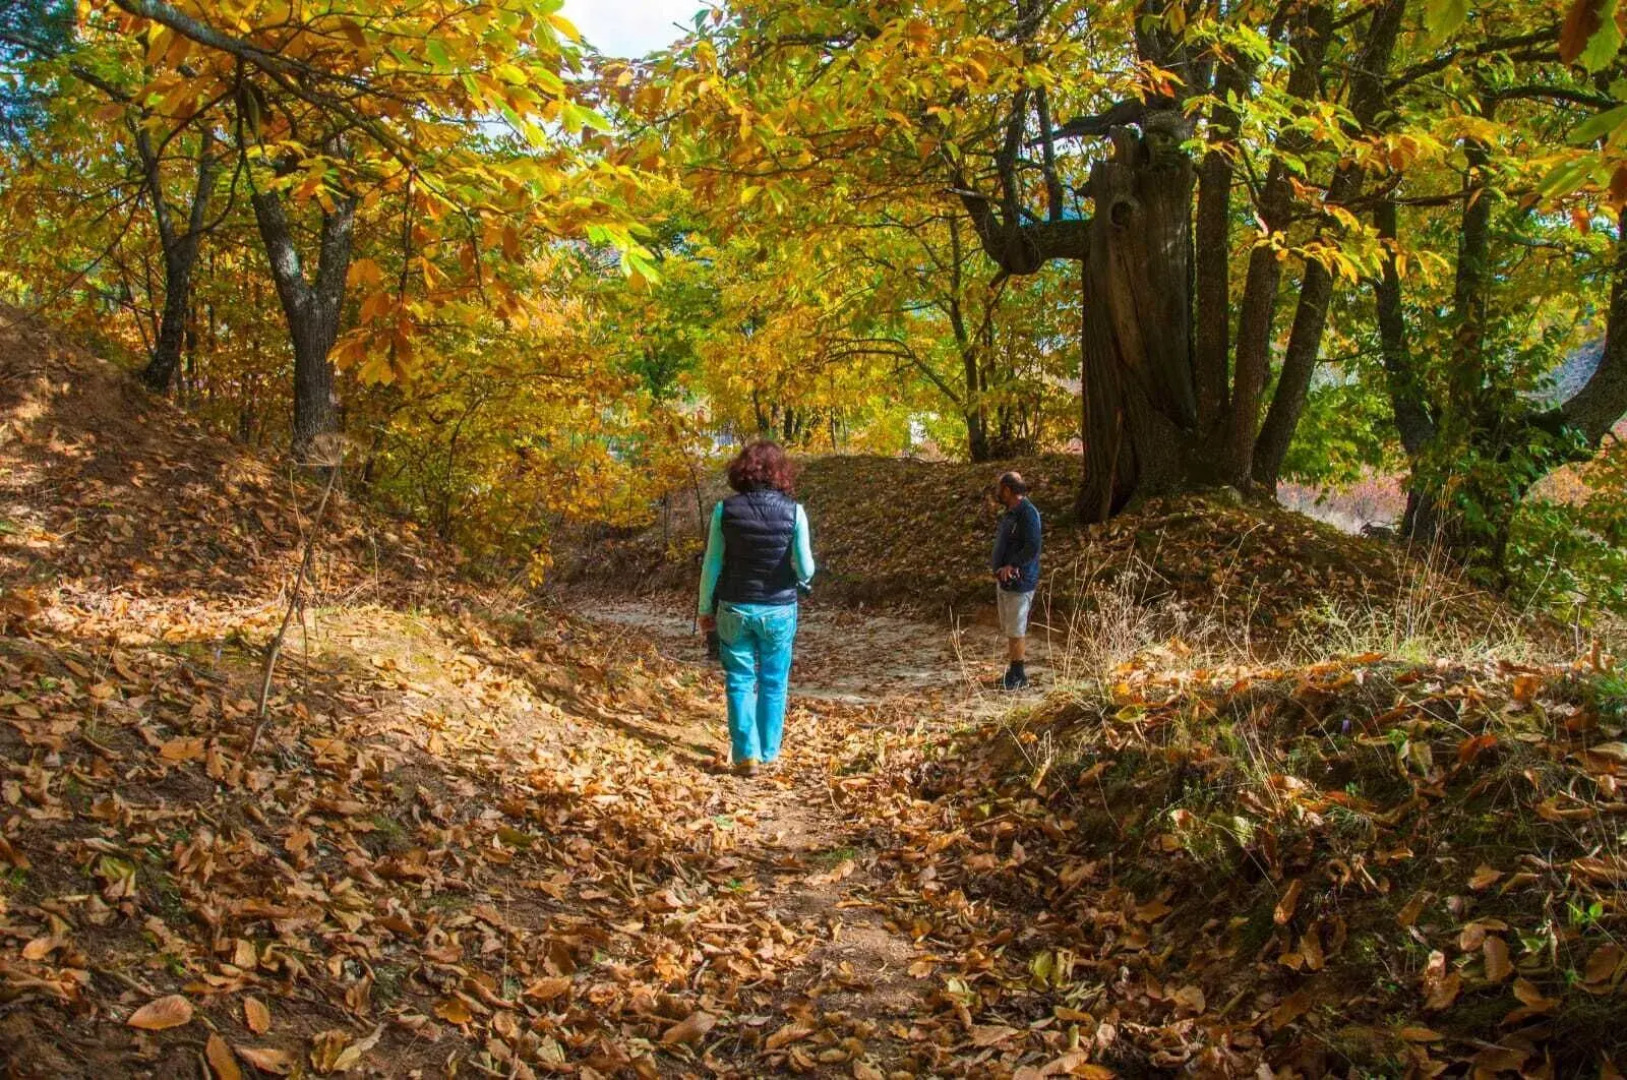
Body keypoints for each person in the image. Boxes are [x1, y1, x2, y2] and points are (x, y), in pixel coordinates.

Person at [698, 441, 816, 776]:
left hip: (734, 607)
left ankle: (745, 755)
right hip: (779, 609)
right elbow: (806, 569)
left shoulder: (724, 510)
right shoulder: (795, 512)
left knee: (738, 679)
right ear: (781, 473)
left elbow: (712, 564)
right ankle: (768, 753)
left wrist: (705, 607)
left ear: (742, 470)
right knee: (774, 681)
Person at [990, 470, 1042, 690]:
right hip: (1005, 580)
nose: (997, 493)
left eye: (999, 489)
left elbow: (1032, 546)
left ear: (1008, 490)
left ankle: (1019, 676)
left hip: (1020, 580)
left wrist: (1013, 566)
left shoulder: (1027, 513)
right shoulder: (1011, 512)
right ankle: (1013, 671)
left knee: (1016, 628)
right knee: (1010, 628)